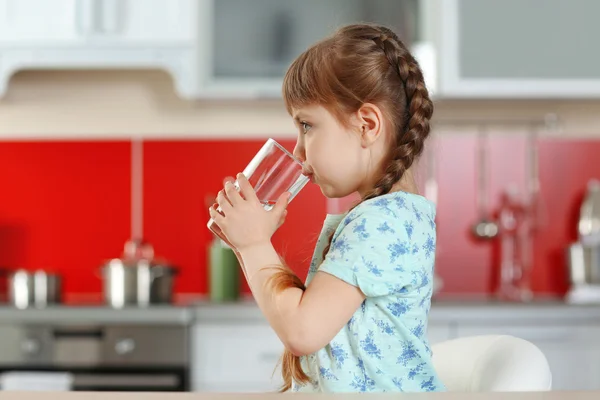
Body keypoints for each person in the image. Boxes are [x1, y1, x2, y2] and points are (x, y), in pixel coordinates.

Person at [208, 23, 444, 393]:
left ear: (367, 124)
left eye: (307, 125)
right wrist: (245, 242)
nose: (299, 152)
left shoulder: (381, 222)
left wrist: (255, 245)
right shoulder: (395, 215)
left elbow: (303, 331)